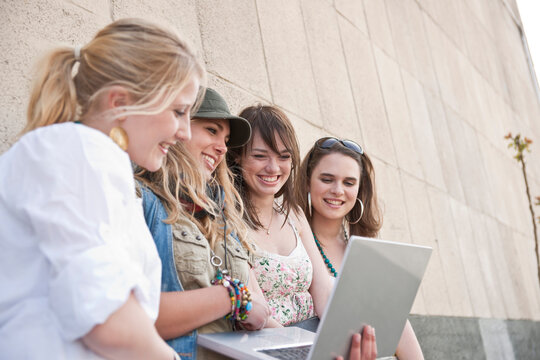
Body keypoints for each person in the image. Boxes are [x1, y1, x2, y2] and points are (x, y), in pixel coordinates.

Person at [0, 18, 205, 359]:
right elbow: (108, 321)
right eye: (179, 111)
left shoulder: (83, 155)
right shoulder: (79, 152)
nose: (185, 132)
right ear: (118, 101)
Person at [136, 88, 271, 360]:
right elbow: (138, 316)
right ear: (179, 128)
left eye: (226, 139)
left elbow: (262, 311)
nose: (222, 148)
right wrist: (233, 298)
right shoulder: (142, 200)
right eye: (211, 130)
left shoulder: (222, 216)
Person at [296, 137, 424, 359]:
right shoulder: (293, 239)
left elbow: (394, 321)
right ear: (308, 181)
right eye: (327, 179)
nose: (337, 190)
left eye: (349, 183)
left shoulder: (366, 251)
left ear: (359, 189)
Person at [226, 105, 335, 329]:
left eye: (284, 157)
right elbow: (257, 315)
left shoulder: (293, 214)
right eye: (259, 156)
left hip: (314, 334)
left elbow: (323, 290)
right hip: (269, 343)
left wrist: (337, 335)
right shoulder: (228, 219)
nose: (273, 167)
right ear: (237, 157)